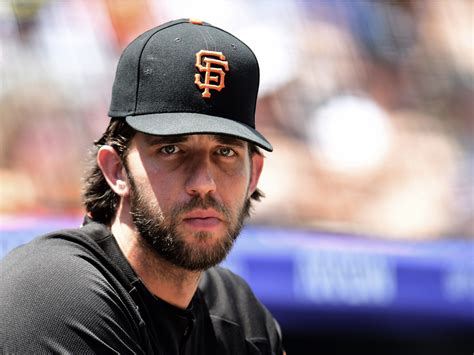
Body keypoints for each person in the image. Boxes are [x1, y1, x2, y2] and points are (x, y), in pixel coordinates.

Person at [1, 19, 284, 354]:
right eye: (171, 150)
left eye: (225, 152)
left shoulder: (240, 315)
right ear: (116, 169)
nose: (204, 183)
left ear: (254, 175)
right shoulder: (55, 293)